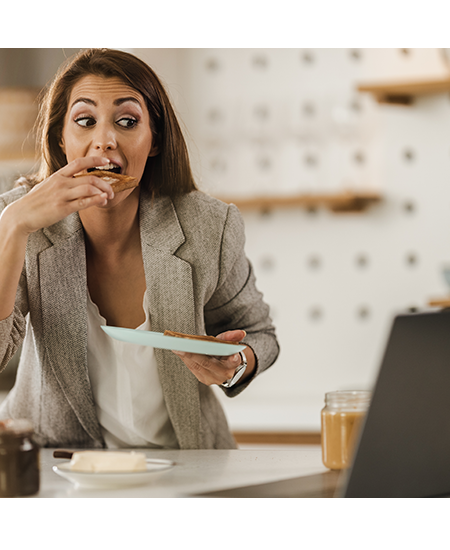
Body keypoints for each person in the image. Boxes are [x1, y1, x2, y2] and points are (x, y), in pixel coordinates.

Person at [0, 48, 279, 449]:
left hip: (186, 469)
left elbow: (260, 335)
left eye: (127, 122)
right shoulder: (18, 219)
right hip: (58, 468)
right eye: (85, 121)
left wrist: (237, 362)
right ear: (61, 139)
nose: (105, 140)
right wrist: (10, 229)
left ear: (154, 141)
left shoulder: (207, 226)